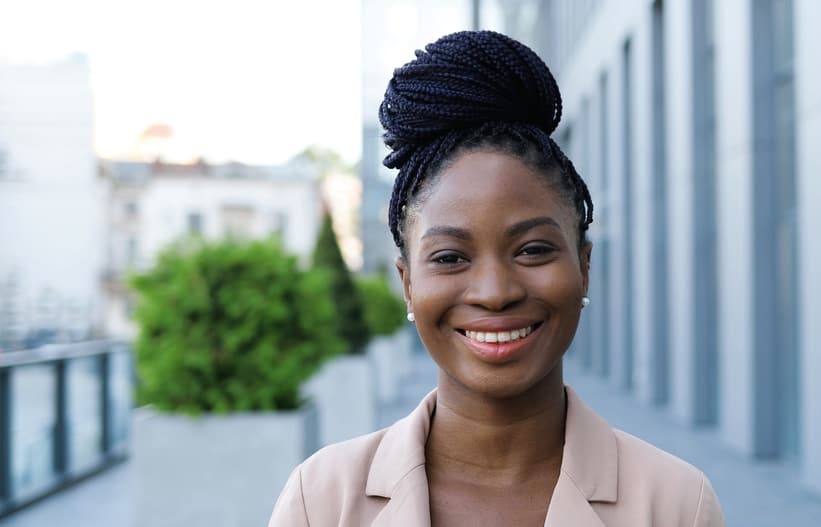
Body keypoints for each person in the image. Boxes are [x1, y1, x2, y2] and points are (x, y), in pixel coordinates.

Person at [269, 30, 725, 527]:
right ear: (407, 285)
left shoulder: (676, 502)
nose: (495, 292)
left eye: (532, 250)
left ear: (585, 267)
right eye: (449, 257)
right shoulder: (323, 500)